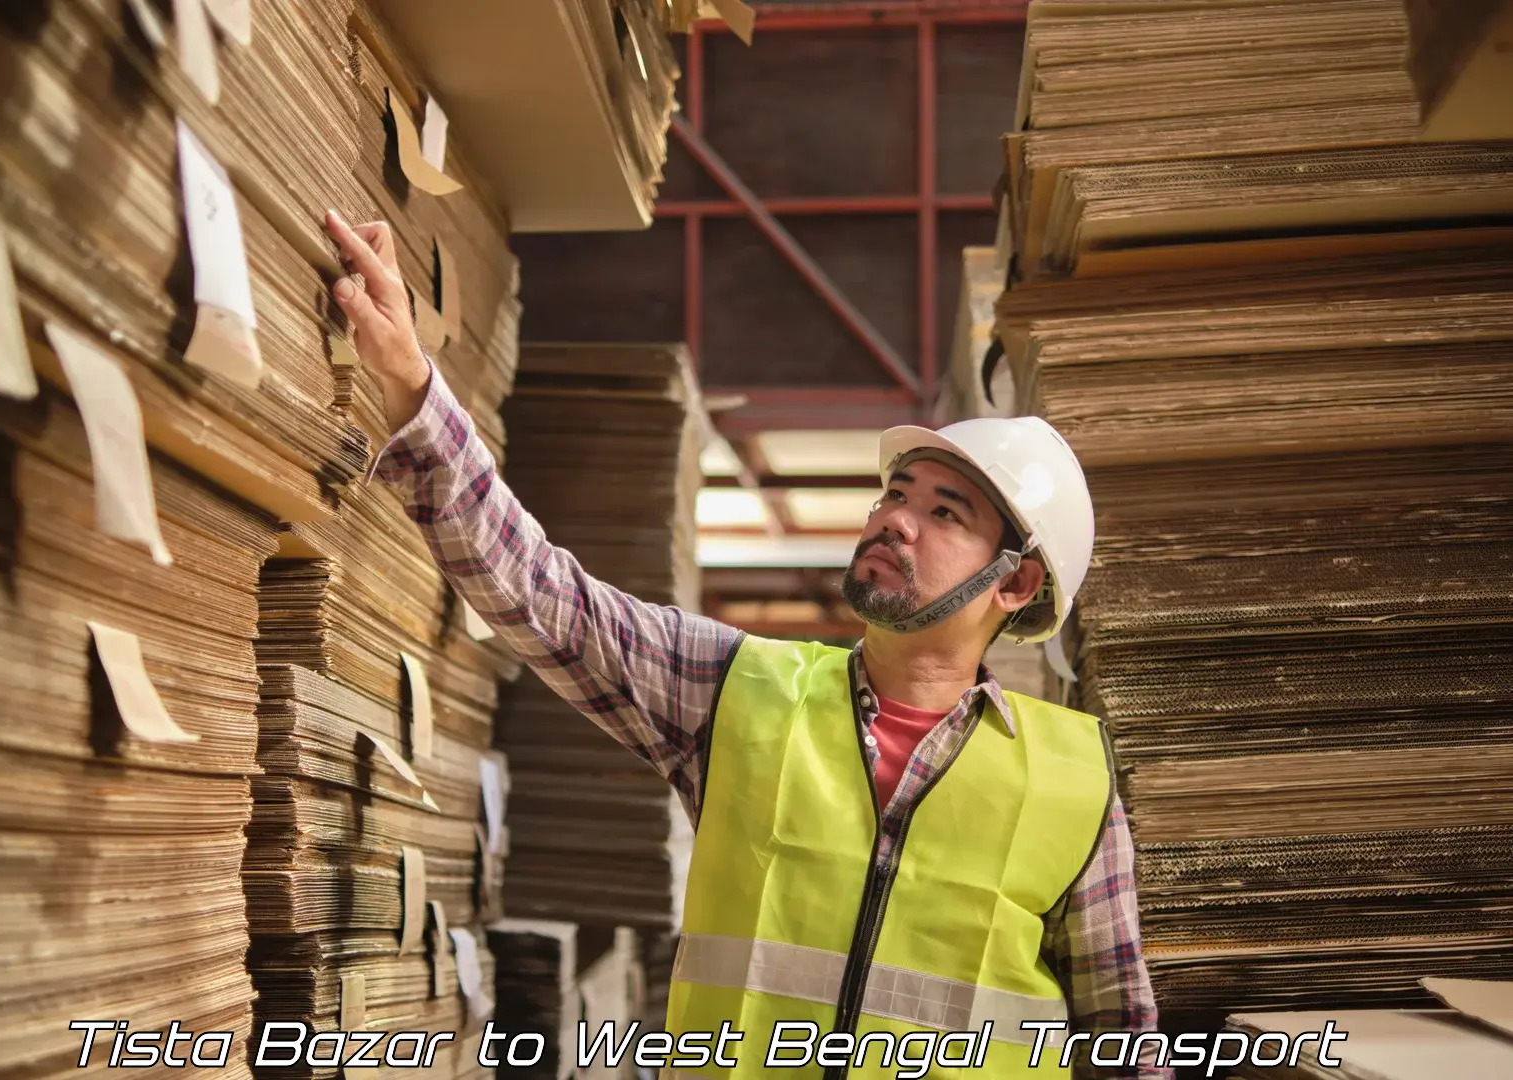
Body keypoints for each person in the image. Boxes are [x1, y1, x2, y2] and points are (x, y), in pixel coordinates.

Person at [323, 211, 1172, 1080]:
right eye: (895, 494)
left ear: (1016, 585)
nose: (894, 521)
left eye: (943, 513)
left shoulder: (1072, 781)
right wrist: (411, 384)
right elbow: (545, 597)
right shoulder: (740, 690)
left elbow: (1125, 1043)